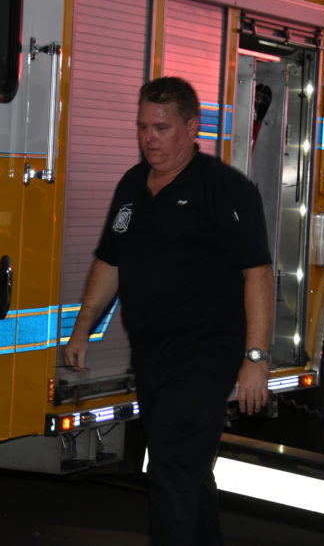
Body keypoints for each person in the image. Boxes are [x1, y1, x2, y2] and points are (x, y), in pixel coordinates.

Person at [63, 76, 274, 546]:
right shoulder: (132, 186)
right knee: (186, 472)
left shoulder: (223, 189)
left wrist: (255, 359)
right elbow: (110, 260)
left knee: (172, 471)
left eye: (161, 128)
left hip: (204, 356)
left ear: (191, 127)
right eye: (142, 128)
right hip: (152, 356)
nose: (149, 139)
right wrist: (82, 329)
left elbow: (257, 273)